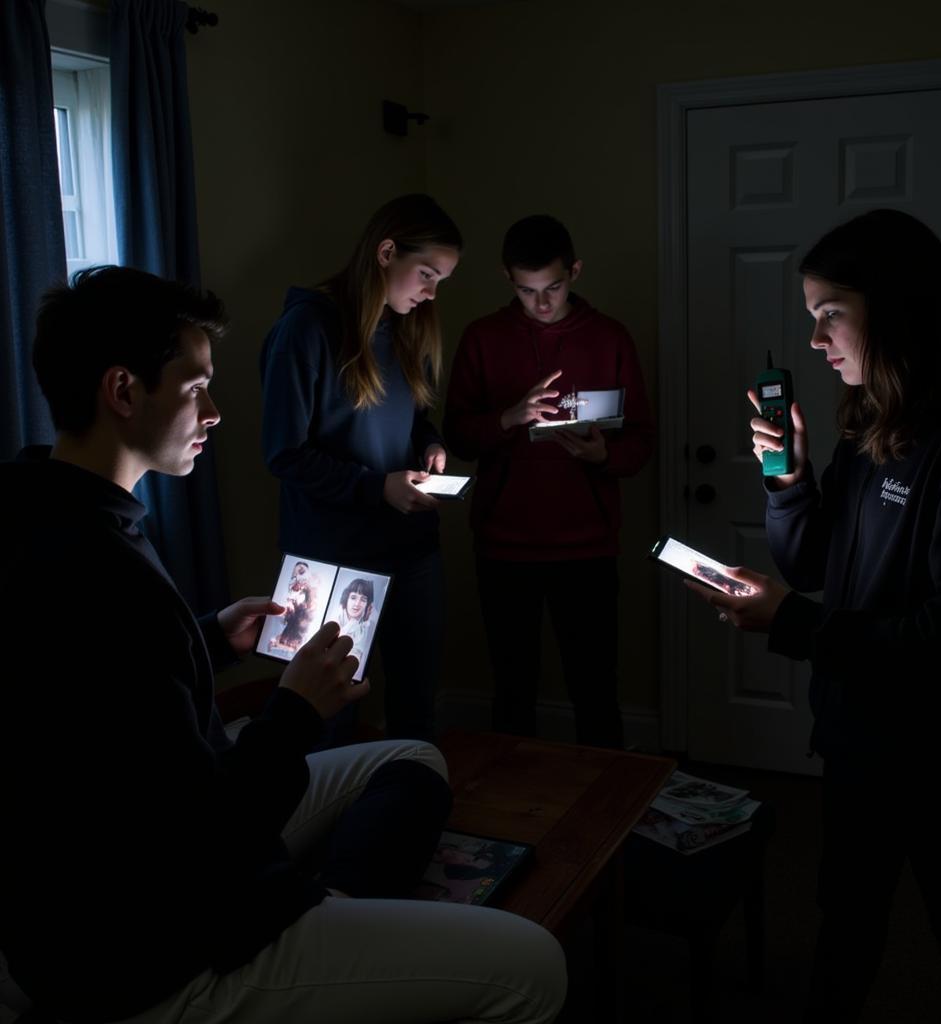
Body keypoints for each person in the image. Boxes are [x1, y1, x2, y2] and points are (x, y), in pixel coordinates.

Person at [0, 266, 567, 1024]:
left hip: (137, 883)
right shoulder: (99, 571)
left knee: (409, 759)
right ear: (124, 391)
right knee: (536, 968)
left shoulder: (45, 508)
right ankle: (315, 942)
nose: (215, 411)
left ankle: (332, 920)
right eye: (197, 387)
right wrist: (295, 708)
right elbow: (207, 835)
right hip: (157, 959)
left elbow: (112, 690)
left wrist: (209, 638)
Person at [686, 210, 941, 1022]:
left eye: (830, 313)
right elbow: (810, 564)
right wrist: (788, 481)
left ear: (897, 306)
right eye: (812, 318)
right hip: (858, 728)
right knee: (847, 919)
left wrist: (795, 627)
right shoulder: (875, 409)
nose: (814, 341)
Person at [444, 214, 654, 748]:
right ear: (507, 279)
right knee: (512, 693)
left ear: (575, 271)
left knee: (595, 693)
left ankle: (605, 816)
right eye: (526, 290)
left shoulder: (610, 339)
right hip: (503, 549)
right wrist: (509, 418)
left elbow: (642, 445)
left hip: (587, 549)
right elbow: (458, 438)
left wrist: (604, 453)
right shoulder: (483, 338)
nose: (540, 303)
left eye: (553, 288)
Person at [261, 194, 461, 743]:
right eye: (426, 274)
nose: (430, 292)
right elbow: (283, 453)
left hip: (412, 551)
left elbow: (418, 415)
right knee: (327, 721)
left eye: (441, 280)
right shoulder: (306, 330)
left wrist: (431, 445)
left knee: (416, 710)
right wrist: (376, 488)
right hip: (331, 561)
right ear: (386, 251)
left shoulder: (406, 326)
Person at [331, 576, 376, 663]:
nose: (357, 604)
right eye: (353, 598)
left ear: (367, 604)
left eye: (363, 600)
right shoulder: (335, 619)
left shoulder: (367, 626)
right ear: (346, 598)